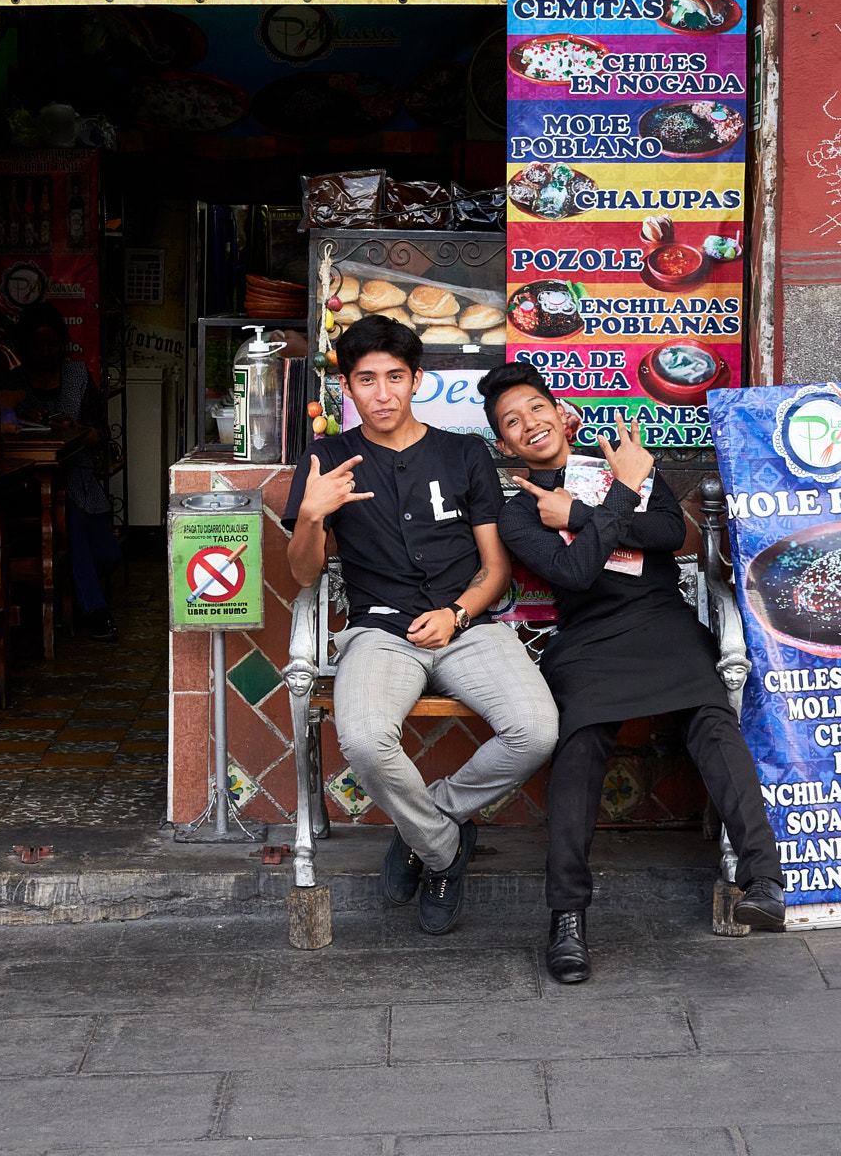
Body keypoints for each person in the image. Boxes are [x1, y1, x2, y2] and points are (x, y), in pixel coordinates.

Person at [483, 360, 785, 984]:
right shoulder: (518, 512)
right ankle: (567, 917)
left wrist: (584, 513)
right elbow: (574, 574)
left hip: (661, 622)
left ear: (559, 412)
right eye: (512, 423)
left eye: (536, 409)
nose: (529, 425)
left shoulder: (618, 457)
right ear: (505, 445)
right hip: (588, 639)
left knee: (711, 719)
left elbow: (670, 531)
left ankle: (762, 880)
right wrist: (617, 499)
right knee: (580, 744)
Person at [283, 315, 559, 935]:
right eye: (366, 381)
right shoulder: (327, 458)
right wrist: (311, 516)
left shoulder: (462, 452)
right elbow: (304, 575)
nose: (382, 394)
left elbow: (494, 570)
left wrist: (458, 613)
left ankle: (422, 826)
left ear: (417, 381)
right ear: (347, 389)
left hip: (470, 626)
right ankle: (443, 850)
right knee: (363, 737)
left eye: (395, 378)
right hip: (380, 633)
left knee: (537, 731)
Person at [8, 301, 122, 643]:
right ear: (24, 346)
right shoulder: (11, 383)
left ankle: (77, 593)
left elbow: (99, 435)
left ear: (62, 343)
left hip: (82, 477)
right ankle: (96, 611)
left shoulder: (76, 376)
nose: (46, 352)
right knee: (66, 512)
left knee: (108, 556)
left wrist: (74, 428)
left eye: (52, 344)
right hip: (28, 485)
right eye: (38, 345)